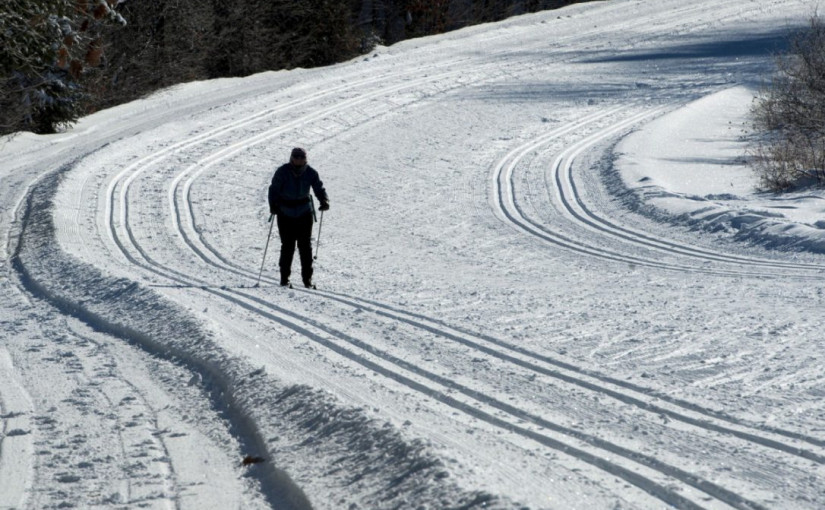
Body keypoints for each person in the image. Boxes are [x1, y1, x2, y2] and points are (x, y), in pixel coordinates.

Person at [268, 147, 329, 288]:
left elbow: (318, 188)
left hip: (304, 213)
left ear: (305, 159)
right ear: (291, 158)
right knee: (287, 246)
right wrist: (273, 205)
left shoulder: (311, 173)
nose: (299, 159)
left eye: (302, 157)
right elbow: (274, 189)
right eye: (296, 156)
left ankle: (307, 280)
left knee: (305, 247)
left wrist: (324, 200)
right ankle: (284, 278)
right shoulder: (282, 171)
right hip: (285, 213)